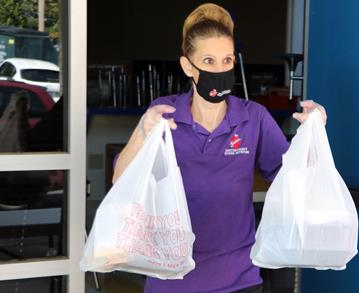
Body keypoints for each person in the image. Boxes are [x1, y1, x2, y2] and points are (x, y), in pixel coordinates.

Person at [113, 3, 327, 293]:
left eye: (227, 60)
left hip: (239, 280)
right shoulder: (163, 115)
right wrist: (141, 130)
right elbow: (121, 181)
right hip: (171, 280)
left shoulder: (253, 117)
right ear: (188, 65)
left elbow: (296, 181)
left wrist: (312, 136)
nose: (220, 69)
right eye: (209, 61)